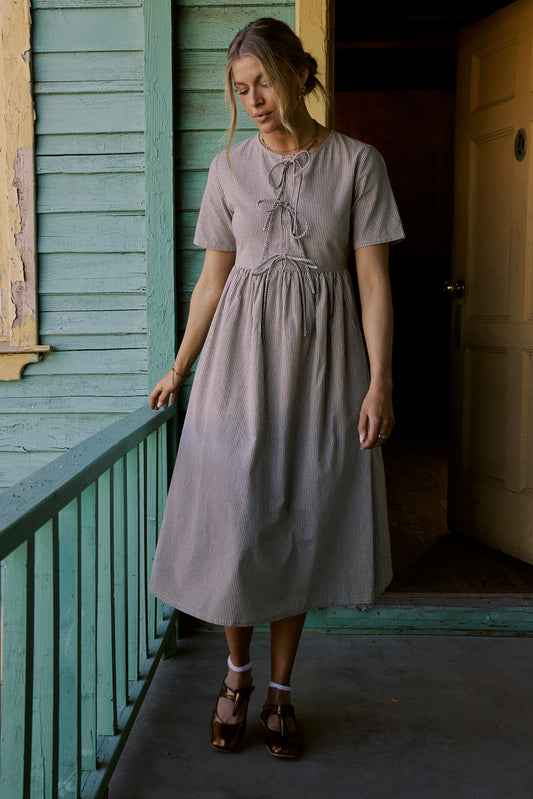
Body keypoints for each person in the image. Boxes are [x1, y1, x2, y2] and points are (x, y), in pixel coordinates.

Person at [149, 17, 404, 759]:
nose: (252, 98)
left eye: (261, 81)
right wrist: (179, 364)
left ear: (298, 71)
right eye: (240, 88)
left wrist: (379, 380)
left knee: (298, 521)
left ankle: (282, 693)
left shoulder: (358, 163)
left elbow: (372, 279)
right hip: (237, 370)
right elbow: (212, 281)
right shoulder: (228, 168)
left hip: (325, 371)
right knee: (236, 524)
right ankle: (236, 677)